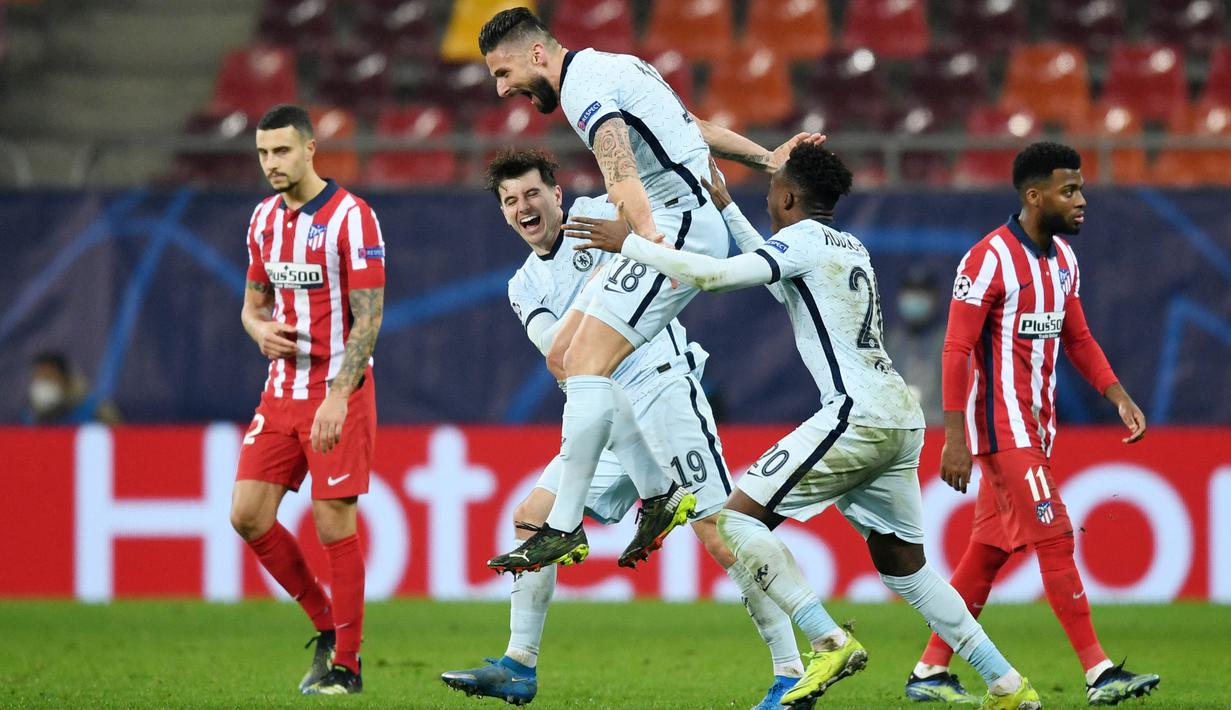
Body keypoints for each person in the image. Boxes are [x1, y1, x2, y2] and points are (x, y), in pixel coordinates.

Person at [567, 145, 1042, 710]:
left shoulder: (803, 243)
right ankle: (1009, 684)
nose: (767, 199)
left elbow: (717, 276)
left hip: (855, 413)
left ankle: (828, 640)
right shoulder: (849, 246)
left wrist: (632, 245)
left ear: (789, 196)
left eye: (772, 191)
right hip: (901, 419)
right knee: (905, 568)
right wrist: (729, 212)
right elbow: (780, 279)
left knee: (734, 522)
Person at [442, 149, 805, 709]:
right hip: (604, 415)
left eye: (533, 194)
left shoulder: (599, 212)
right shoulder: (524, 287)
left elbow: (658, 211)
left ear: (557, 195)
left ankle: (791, 672)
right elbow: (560, 353)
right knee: (531, 520)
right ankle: (519, 665)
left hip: (661, 387)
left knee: (719, 532)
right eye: (510, 201)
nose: (524, 207)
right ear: (504, 214)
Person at [477, 6, 820, 575]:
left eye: (503, 72)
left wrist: (648, 241)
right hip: (681, 220)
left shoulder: (583, 89)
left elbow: (621, 173)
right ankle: (656, 493)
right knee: (566, 356)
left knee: (585, 361)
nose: (501, 88)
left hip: (676, 224)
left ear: (537, 54)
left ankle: (565, 526)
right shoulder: (618, 67)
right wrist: (766, 159)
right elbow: (689, 130)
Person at [901, 142, 1160, 706]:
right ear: (1034, 195)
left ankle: (929, 671)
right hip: (1002, 429)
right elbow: (956, 348)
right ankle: (1099, 672)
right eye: (1070, 190)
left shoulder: (1064, 261)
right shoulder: (988, 258)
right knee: (1056, 533)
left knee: (988, 550)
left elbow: (1079, 338)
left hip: (1037, 430)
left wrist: (1117, 395)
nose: (1082, 200)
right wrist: (955, 438)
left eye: (1081, 188)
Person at [228, 104, 386, 696]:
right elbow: (253, 304)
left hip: (337, 392)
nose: (272, 163)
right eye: (264, 153)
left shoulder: (353, 218)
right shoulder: (262, 220)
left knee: (331, 518)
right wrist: (256, 329)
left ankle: (348, 665)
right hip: (281, 391)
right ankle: (325, 626)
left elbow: (369, 319)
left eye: (283, 151)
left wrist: (339, 396)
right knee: (247, 514)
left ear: (310, 149)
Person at [885, 266, 946, 425]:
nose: (914, 298)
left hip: (938, 431)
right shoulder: (892, 342)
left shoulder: (947, 343)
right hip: (896, 431)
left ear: (935, 297)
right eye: (910, 292)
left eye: (921, 293)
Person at [24, 351, 121, 425]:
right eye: (38, 377)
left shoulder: (97, 411)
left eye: (48, 377)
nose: (43, 383)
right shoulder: (30, 416)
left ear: (65, 379)